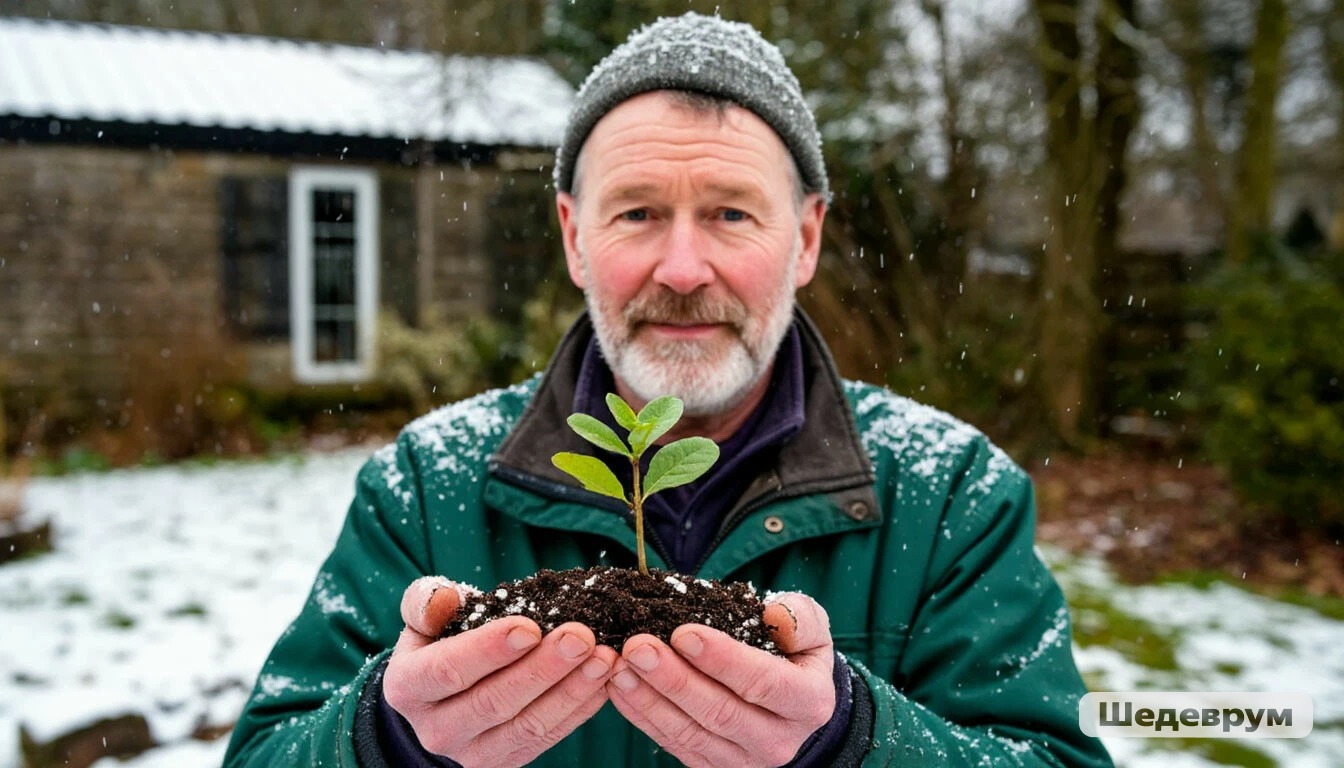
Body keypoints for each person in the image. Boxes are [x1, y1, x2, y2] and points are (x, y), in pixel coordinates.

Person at [224, 12, 1112, 768]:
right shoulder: (426, 485)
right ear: (574, 237)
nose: (683, 270)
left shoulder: (953, 492)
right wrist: (386, 736)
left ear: (805, 238)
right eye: (638, 212)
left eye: (731, 212)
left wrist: (854, 738)